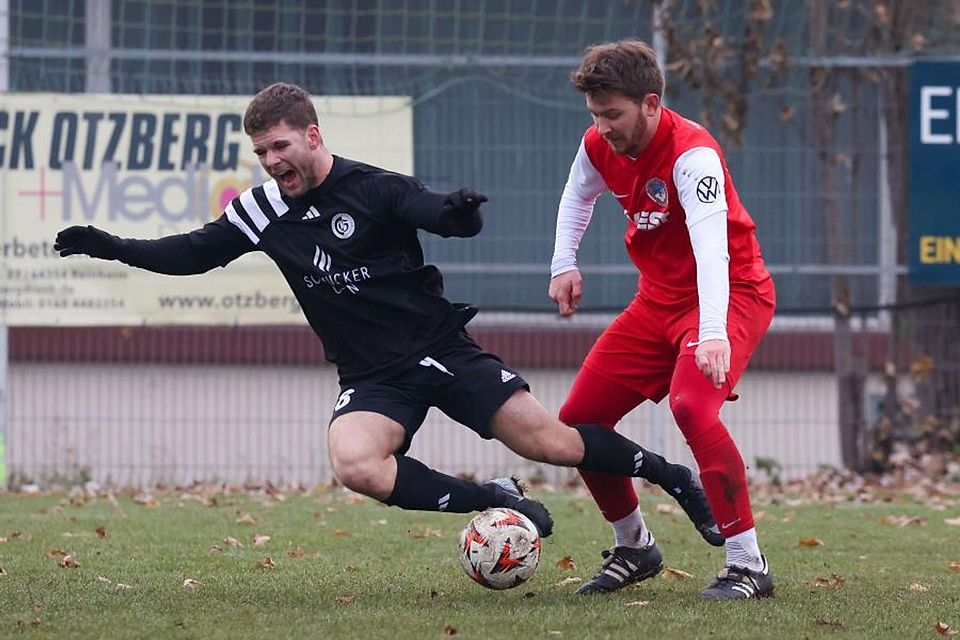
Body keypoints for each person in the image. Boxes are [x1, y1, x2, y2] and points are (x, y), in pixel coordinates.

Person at [54, 81, 718, 548]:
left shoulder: (374, 188)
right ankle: (497, 498)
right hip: (375, 376)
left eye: (281, 146)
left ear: (313, 135)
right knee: (355, 464)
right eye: (261, 153)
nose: (272, 162)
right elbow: (193, 253)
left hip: (441, 350)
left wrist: (460, 216)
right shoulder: (262, 210)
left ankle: (671, 476)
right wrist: (111, 246)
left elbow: (432, 213)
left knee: (553, 442)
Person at [549, 41, 777, 600]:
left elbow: (712, 249)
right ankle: (634, 545)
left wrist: (716, 332)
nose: (603, 128)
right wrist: (563, 263)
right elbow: (578, 195)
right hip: (657, 301)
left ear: (651, 103)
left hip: (729, 293)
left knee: (690, 406)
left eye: (614, 115)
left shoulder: (692, 155)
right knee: (579, 421)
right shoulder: (597, 143)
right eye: (596, 116)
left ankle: (749, 562)